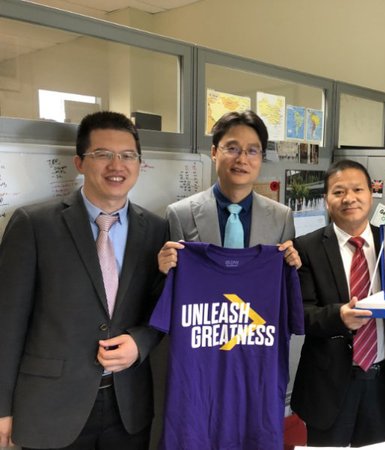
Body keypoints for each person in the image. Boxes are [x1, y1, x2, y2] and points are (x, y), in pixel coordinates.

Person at [0, 111, 167, 449]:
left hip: (127, 406)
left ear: (139, 163)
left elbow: (161, 304)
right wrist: (2, 407)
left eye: (128, 155)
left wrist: (140, 342)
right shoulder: (34, 224)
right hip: (50, 408)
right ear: (79, 162)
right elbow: (7, 322)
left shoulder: (155, 229)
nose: (116, 165)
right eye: (103, 154)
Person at [291, 159, 385, 447]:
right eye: (339, 191)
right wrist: (339, 317)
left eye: (357, 189)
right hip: (328, 384)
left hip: (381, 381)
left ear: (371, 194)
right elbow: (300, 315)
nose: (349, 198)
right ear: (326, 200)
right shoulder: (306, 247)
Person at [158, 110, 300, 271]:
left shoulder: (282, 218)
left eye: (252, 151)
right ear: (214, 153)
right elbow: (175, 280)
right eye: (232, 148)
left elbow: (282, 280)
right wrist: (164, 270)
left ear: (261, 157)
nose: (242, 159)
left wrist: (294, 267)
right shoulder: (180, 215)